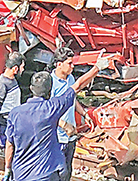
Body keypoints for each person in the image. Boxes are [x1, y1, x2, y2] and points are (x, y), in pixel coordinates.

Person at [3, 71, 74, 181]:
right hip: (47, 174)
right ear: (49, 91)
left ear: (31, 88)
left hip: (21, 175)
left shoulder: (15, 113)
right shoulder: (51, 108)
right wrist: (96, 68)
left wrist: (8, 169)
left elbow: (9, 145)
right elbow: (76, 87)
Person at [50, 47, 108, 181]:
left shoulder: (70, 78)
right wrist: (63, 125)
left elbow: (73, 98)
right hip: (57, 137)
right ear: (59, 64)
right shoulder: (50, 83)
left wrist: (84, 114)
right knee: (58, 172)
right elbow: (48, 111)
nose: (73, 66)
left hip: (70, 137)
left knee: (67, 170)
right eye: (69, 63)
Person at [0, 51, 25, 157]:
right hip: (5, 126)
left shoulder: (12, 81)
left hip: (13, 123)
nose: (23, 70)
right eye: (22, 67)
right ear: (15, 69)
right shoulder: (2, 85)